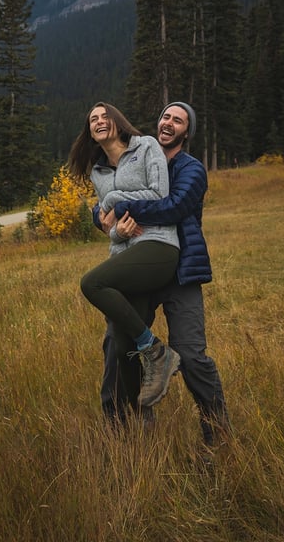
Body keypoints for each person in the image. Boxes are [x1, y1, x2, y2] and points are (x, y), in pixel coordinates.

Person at [98, 102, 229, 448]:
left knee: (191, 354)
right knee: (117, 343)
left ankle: (217, 435)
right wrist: (101, 213)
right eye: (166, 116)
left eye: (178, 120)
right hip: (142, 266)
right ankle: (124, 431)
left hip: (180, 270)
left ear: (186, 132)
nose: (169, 123)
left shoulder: (191, 170)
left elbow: (172, 207)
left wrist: (118, 205)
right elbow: (109, 190)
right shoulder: (140, 158)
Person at [68, 102, 181, 408]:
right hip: (125, 253)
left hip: (158, 245)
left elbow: (161, 195)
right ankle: (136, 421)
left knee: (91, 283)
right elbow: (111, 227)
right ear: (90, 132)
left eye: (105, 116)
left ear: (118, 121)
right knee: (121, 346)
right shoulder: (98, 171)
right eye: (93, 119)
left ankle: (157, 352)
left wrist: (116, 199)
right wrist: (116, 232)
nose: (99, 121)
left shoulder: (146, 146)